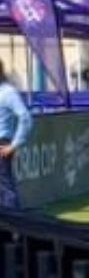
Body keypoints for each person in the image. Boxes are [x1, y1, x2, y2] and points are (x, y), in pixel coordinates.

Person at [0, 65, 32, 210]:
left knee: (6, 190)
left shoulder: (8, 92)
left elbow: (25, 117)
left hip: (2, 144)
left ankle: (15, 229)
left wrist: (14, 145)